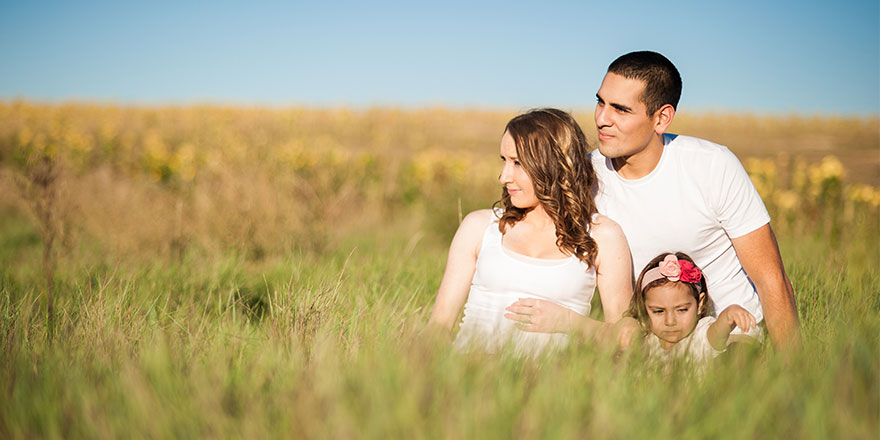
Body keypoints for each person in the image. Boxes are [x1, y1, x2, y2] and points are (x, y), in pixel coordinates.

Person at [506, 51, 800, 349]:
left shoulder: (713, 165)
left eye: (621, 109)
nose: (602, 119)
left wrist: (792, 374)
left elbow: (771, 279)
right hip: (649, 341)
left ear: (661, 118)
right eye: (600, 102)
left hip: (730, 335)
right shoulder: (584, 176)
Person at [426, 108, 633, 357]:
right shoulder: (480, 227)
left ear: (555, 164)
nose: (504, 176)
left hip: (553, 389)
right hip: (471, 379)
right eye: (503, 160)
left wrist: (569, 322)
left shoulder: (603, 236)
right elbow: (437, 329)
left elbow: (628, 338)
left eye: (518, 163)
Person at [617, 253, 757, 367]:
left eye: (682, 310)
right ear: (643, 307)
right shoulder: (646, 339)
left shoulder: (701, 336)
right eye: (659, 311)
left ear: (700, 304)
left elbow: (718, 333)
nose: (670, 321)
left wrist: (729, 314)